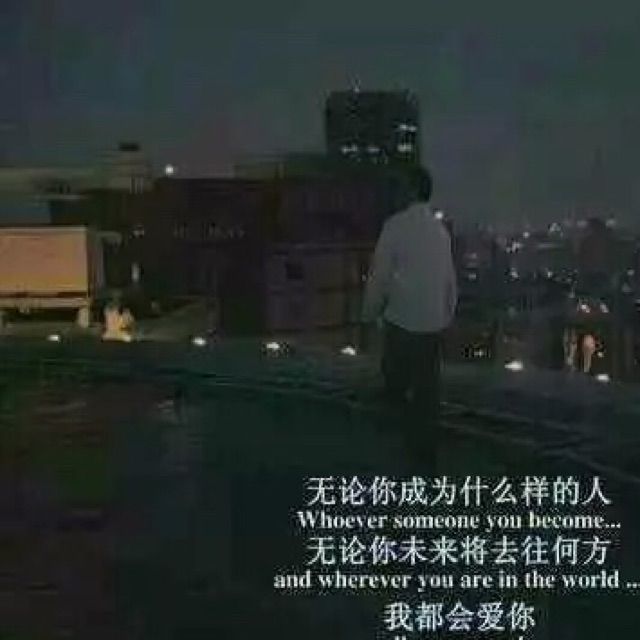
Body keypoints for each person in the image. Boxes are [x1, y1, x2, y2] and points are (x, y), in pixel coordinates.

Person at [360, 167, 458, 468]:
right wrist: (444, 318)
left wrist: (368, 315)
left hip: (402, 324)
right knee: (427, 395)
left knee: (395, 387)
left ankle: (394, 455)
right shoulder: (440, 232)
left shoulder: (395, 227)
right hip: (432, 327)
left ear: (412, 190)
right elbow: (450, 284)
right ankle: (426, 460)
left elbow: (379, 278)